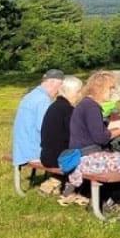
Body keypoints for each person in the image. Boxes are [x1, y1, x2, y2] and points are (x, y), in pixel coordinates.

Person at [64, 70, 120, 212]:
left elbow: (99, 128)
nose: (112, 91)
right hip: (87, 159)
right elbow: (101, 137)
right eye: (110, 88)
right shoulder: (92, 107)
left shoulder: (85, 104)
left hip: (80, 155)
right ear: (99, 88)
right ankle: (109, 198)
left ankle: (99, 195)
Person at [38, 75, 86, 204]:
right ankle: (81, 191)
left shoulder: (54, 107)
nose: (80, 95)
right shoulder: (68, 110)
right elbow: (77, 136)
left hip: (46, 155)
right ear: (68, 92)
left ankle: (56, 182)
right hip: (59, 159)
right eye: (78, 91)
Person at [11, 69, 64, 171]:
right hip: (33, 152)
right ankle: (60, 179)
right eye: (59, 87)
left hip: (21, 149)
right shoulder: (43, 100)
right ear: (51, 82)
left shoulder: (32, 95)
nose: (59, 91)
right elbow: (46, 129)